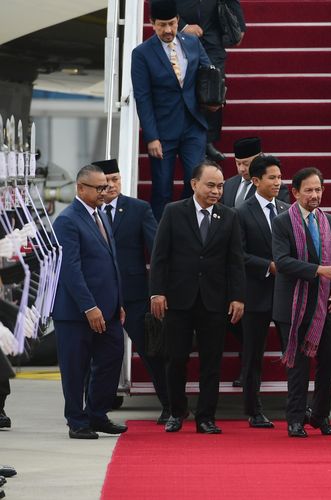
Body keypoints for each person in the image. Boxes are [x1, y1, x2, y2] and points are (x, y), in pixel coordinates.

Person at [150, 160, 245, 434]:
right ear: (194, 184)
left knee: (211, 362)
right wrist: (157, 292)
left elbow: (235, 261)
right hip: (178, 299)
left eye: (220, 186)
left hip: (215, 301)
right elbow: (160, 257)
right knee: (176, 358)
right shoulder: (174, 212)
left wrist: (237, 297)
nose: (216, 191)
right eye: (211, 185)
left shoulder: (229, 216)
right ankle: (177, 412)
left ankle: (206, 417)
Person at [52, 164, 127, 439]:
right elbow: (71, 270)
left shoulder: (101, 216)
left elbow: (110, 262)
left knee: (111, 358)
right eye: (98, 188)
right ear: (80, 188)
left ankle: (97, 413)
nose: (104, 192)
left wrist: (117, 302)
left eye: (106, 187)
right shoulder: (67, 220)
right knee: (75, 367)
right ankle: (77, 420)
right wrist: (89, 307)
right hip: (76, 312)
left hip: (107, 309)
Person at [95, 159, 170, 424]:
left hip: (136, 294)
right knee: (99, 355)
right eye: (106, 181)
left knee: (151, 352)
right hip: (99, 296)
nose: (112, 185)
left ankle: (170, 405)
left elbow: (158, 250)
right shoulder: (87, 213)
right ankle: (94, 409)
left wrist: (158, 290)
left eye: (116, 179)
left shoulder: (138, 209)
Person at [271, 167, 331, 438]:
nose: (315, 195)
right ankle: (296, 419)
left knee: (329, 360)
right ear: (295, 192)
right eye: (309, 190)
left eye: (318, 189)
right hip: (293, 305)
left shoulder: (329, 220)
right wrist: (317, 270)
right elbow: (283, 262)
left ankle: (321, 416)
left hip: (325, 304)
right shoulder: (282, 222)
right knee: (298, 365)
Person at [131, 0, 217, 220]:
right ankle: (161, 241)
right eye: (162, 25)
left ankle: (188, 228)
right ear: (152, 23)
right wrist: (151, 137)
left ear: (178, 21)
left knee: (196, 181)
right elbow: (143, 97)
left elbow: (208, 71)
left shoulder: (191, 42)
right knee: (162, 189)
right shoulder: (141, 53)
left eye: (171, 23)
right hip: (162, 131)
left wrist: (215, 98)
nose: (168, 30)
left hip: (193, 125)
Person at [236, 155, 290, 428]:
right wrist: (268, 266)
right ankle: (253, 409)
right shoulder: (242, 212)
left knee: (291, 351)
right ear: (256, 180)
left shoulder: (286, 208)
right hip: (255, 293)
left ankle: (296, 407)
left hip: (285, 293)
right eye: (272, 177)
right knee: (253, 355)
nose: (278, 182)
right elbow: (238, 255)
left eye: (280, 177)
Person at [175, 0, 245, 162]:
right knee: (184, 87)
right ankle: (184, 137)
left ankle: (207, 140)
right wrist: (183, 26)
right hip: (180, 38)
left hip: (213, 37)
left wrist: (239, 26)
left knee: (214, 87)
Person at [223, 137, 291, 207]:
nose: (242, 169)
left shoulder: (274, 187)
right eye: (238, 163)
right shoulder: (228, 184)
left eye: (246, 164)